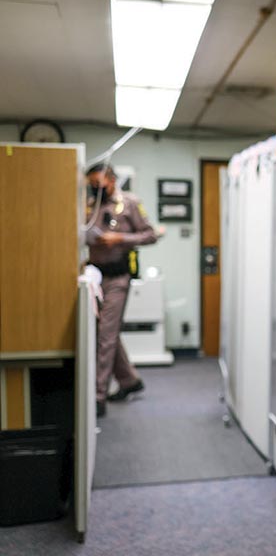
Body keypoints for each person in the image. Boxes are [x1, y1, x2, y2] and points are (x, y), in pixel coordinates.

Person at [86, 163, 160, 417]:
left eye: (100, 184)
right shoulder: (88, 205)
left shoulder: (129, 202)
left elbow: (151, 234)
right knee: (105, 332)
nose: (96, 189)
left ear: (112, 180)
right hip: (93, 276)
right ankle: (129, 380)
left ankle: (98, 397)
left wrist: (120, 239)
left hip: (118, 277)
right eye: (92, 185)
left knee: (105, 334)